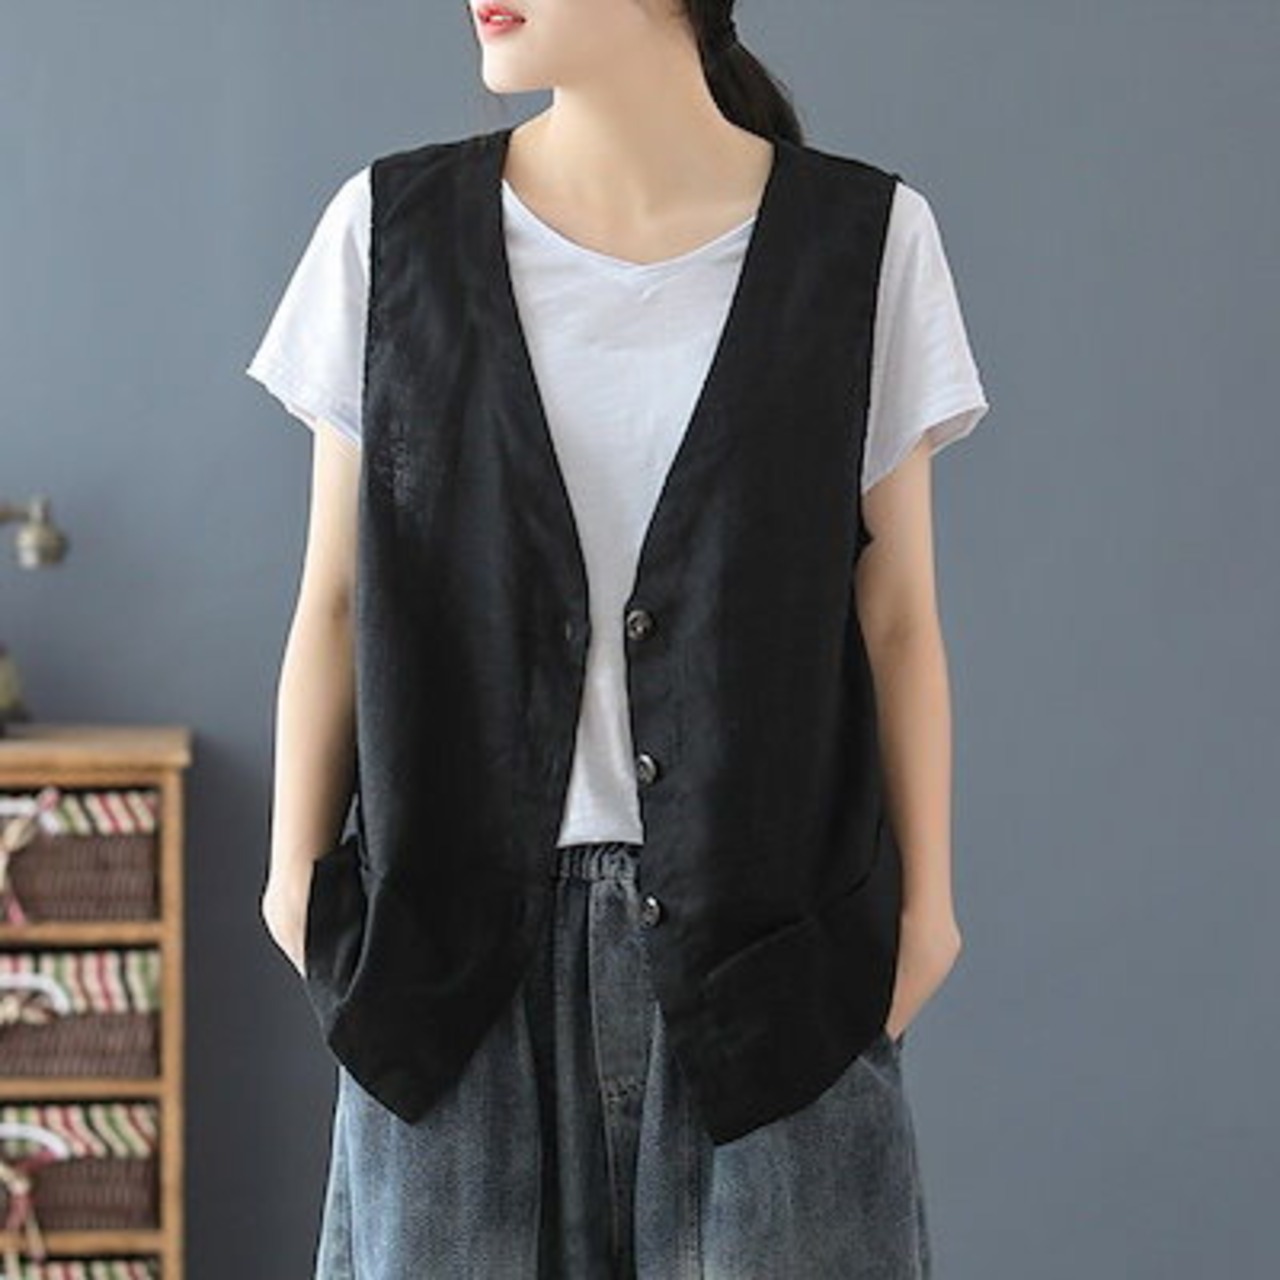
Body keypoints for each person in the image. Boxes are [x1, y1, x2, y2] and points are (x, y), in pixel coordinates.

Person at [248, 2, 989, 1275]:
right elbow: (335, 593)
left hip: (771, 958)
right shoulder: (388, 231)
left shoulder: (864, 243)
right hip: (445, 966)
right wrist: (294, 880)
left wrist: (926, 913)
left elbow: (896, 613)